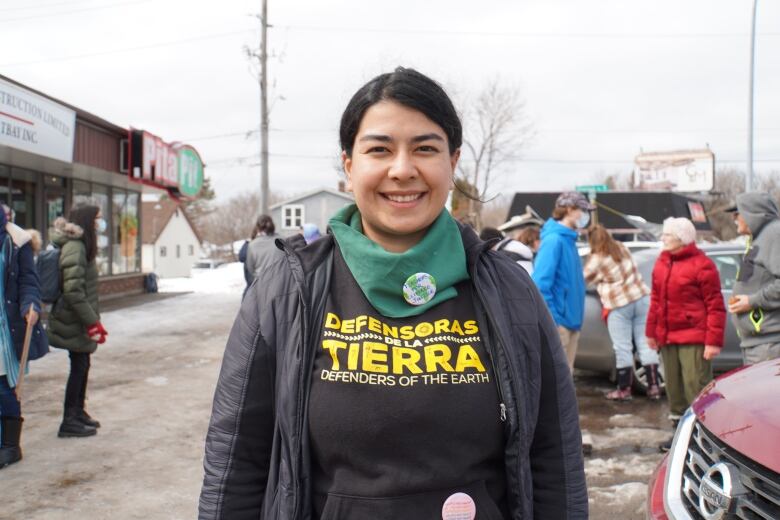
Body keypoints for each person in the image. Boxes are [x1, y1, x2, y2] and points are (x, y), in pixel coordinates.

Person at [199, 67, 587, 519]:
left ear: (453, 162)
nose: (402, 170)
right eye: (379, 149)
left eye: (425, 148)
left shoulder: (509, 291)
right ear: (349, 166)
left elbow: (553, 460)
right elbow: (236, 464)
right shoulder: (287, 292)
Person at [645, 217, 725, 451]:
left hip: (694, 338)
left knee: (696, 386)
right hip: (668, 337)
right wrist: (651, 332)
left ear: (681, 238)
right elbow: (656, 301)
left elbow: (715, 305)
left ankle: (705, 438)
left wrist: (713, 342)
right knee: (674, 387)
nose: (663, 239)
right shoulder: (661, 262)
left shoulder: (703, 265)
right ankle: (679, 435)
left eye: (667, 235)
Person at [48, 206, 107, 438]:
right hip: (74, 319)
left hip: (79, 319)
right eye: (97, 220)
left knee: (83, 364)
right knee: (79, 365)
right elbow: (73, 291)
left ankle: (78, 412)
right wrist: (92, 321)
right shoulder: (75, 246)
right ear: (88, 221)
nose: (100, 224)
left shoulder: (82, 245)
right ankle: (69, 420)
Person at [583, 224, 660, 401]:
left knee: (622, 346)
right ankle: (654, 387)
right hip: (641, 298)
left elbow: (583, 280)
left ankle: (624, 389)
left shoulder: (597, 258)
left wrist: (600, 281)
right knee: (645, 344)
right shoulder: (621, 248)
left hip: (619, 305)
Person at [0, 206, 48, 469]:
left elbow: (29, 281)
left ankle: (10, 446)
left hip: (4, 326)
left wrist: (30, 305)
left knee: (4, 385)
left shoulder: (16, 240)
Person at [532, 192, 595, 373]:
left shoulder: (569, 240)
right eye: (583, 210)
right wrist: (554, 322)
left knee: (565, 382)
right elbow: (540, 285)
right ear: (569, 209)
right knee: (559, 384)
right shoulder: (554, 241)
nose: (586, 216)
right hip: (561, 326)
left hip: (571, 323)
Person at [726, 193, 780, 364]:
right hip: (759, 344)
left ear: (754, 213)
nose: (734, 218)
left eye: (738, 213)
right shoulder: (761, 237)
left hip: (769, 345)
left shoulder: (774, 234)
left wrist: (752, 301)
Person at [243, 214, 277, 287]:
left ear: (258, 227)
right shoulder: (283, 240)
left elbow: (251, 269)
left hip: (262, 284)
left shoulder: (252, 245)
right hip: (282, 283)